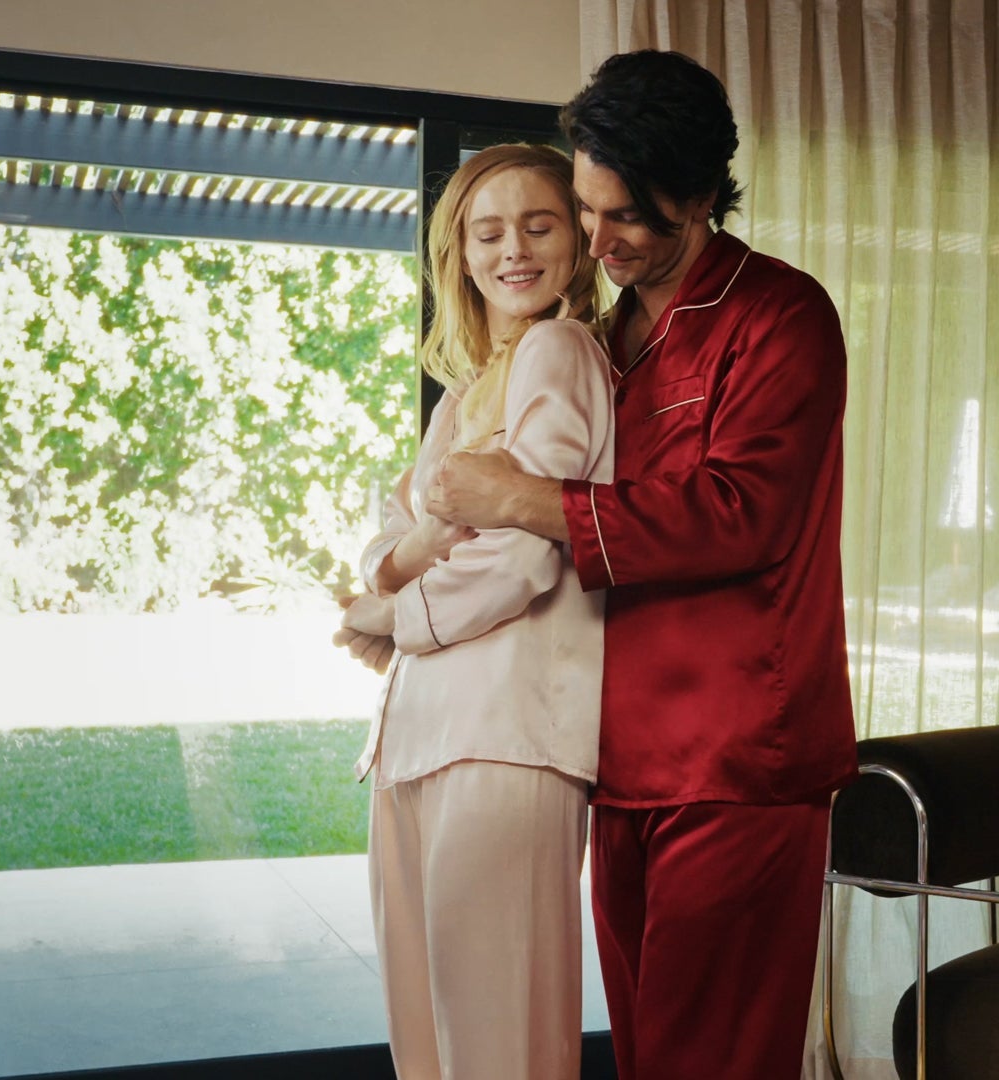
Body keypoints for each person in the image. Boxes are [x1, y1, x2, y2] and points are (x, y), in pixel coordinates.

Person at [423, 51, 859, 1080]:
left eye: (625, 217)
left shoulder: (781, 318)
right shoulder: (592, 339)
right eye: (586, 208)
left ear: (700, 198)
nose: (596, 238)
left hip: (739, 758)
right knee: (649, 1053)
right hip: (612, 755)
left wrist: (519, 496)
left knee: (713, 1061)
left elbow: (740, 515)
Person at [330, 142, 614, 1080]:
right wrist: (404, 561)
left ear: (577, 237)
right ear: (459, 252)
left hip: (505, 740)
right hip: (417, 736)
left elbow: (530, 546)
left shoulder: (560, 349)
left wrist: (390, 617)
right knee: (429, 1047)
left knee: (498, 1051)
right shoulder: (462, 391)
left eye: (538, 225)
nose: (513, 251)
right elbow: (385, 540)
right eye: (487, 232)